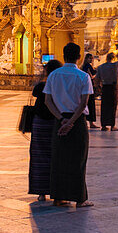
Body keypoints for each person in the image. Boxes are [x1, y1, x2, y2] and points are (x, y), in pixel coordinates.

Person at [43, 42, 95, 208]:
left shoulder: (54, 75)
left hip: (60, 120)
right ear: (79, 57)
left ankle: (59, 197)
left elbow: (47, 101)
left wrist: (61, 119)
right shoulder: (83, 76)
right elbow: (83, 102)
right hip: (77, 122)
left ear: (63, 55)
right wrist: (71, 121)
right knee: (78, 159)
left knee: (59, 159)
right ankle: (80, 198)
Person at [29, 59, 62, 201]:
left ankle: (41, 191)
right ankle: (56, 189)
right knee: (56, 155)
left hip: (40, 123)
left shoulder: (42, 85)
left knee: (39, 156)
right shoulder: (60, 85)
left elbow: (35, 94)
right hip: (55, 121)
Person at [96, 52, 118, 131]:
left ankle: (103, 125)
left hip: (105, 87)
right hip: (112, 87)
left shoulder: (100, 67)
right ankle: (112, 126)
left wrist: (99, 87)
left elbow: (97, 79)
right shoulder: (115, 66)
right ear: (113, 58)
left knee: (104, 107)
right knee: (112, 106)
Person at [82, 54, 99, 128]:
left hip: (84, 87)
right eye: (90, 58)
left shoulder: (83, 66)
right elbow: (93, 73)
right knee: (91, 104)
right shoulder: (88, 66)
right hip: (89, 86)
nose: (91, 59)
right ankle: (91, 123)